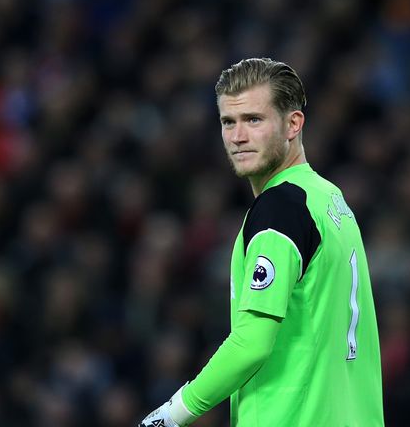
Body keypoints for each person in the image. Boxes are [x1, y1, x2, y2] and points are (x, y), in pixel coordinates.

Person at [139, 58, 384, 426]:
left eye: (254, 120)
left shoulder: (281, 209)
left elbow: (251, 344)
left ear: (293, 124)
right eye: (228, 122)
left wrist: (168, 416)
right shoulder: (329, 199)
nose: (238, 137)